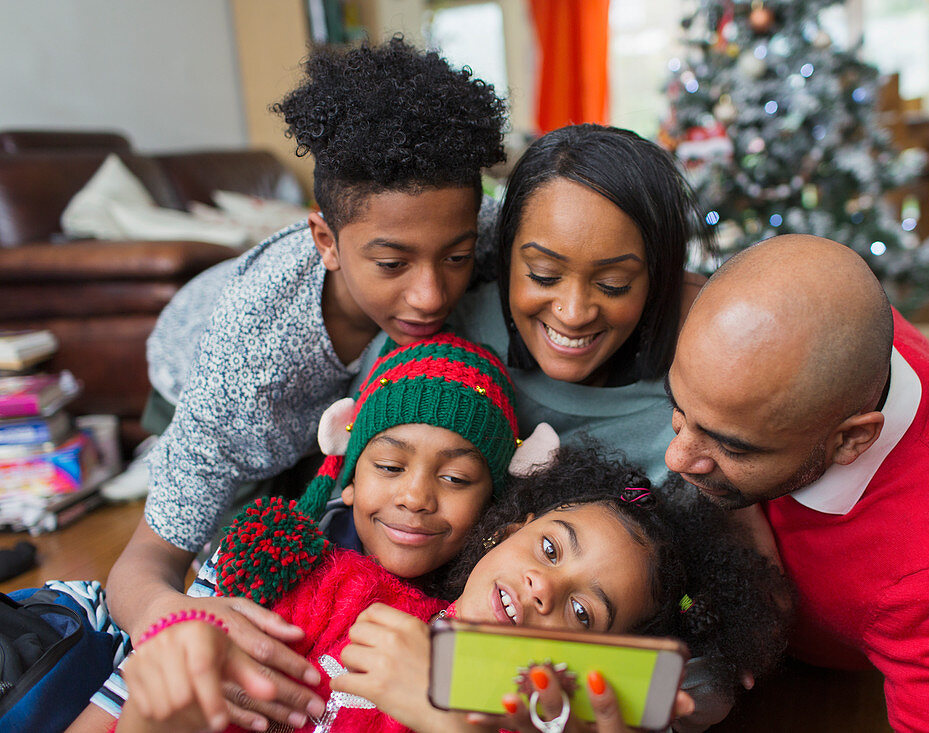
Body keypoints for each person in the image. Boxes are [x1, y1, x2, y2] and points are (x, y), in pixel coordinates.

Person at [93, 37, 508, 730]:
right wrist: (177, 618)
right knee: (246, 560)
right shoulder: (243, 367)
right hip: (194, 363)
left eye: (457, 256)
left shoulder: (454, 215)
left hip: (345, 401)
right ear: (324, 239)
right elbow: (140, 566)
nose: (432, 293)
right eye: (392, 262)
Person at [113, 444, 789, 733]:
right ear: (504, 533)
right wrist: (162, 680)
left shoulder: (529, 717)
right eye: (550, 548)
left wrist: (437, 708)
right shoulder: (343, 588)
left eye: (584, 611)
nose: (542, 586)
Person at [664, 234, 929, 732]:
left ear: (850, 440)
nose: (676, 458)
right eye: (678, 407)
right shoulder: (808, 318)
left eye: (733, 447)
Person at [75, 332, 519, 731]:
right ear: (348, 480)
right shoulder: (265, 559)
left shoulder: (485, 617)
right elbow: (121, 697)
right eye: (388, 466)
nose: (415, 497)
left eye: (456, 478)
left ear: (492, 507)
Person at [429, 123, 713, 483]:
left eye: (613, 284)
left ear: (657, 280)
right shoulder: (447, 334)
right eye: (544, 275)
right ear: (505, 257)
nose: (574, 313)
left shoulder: (691, 417)